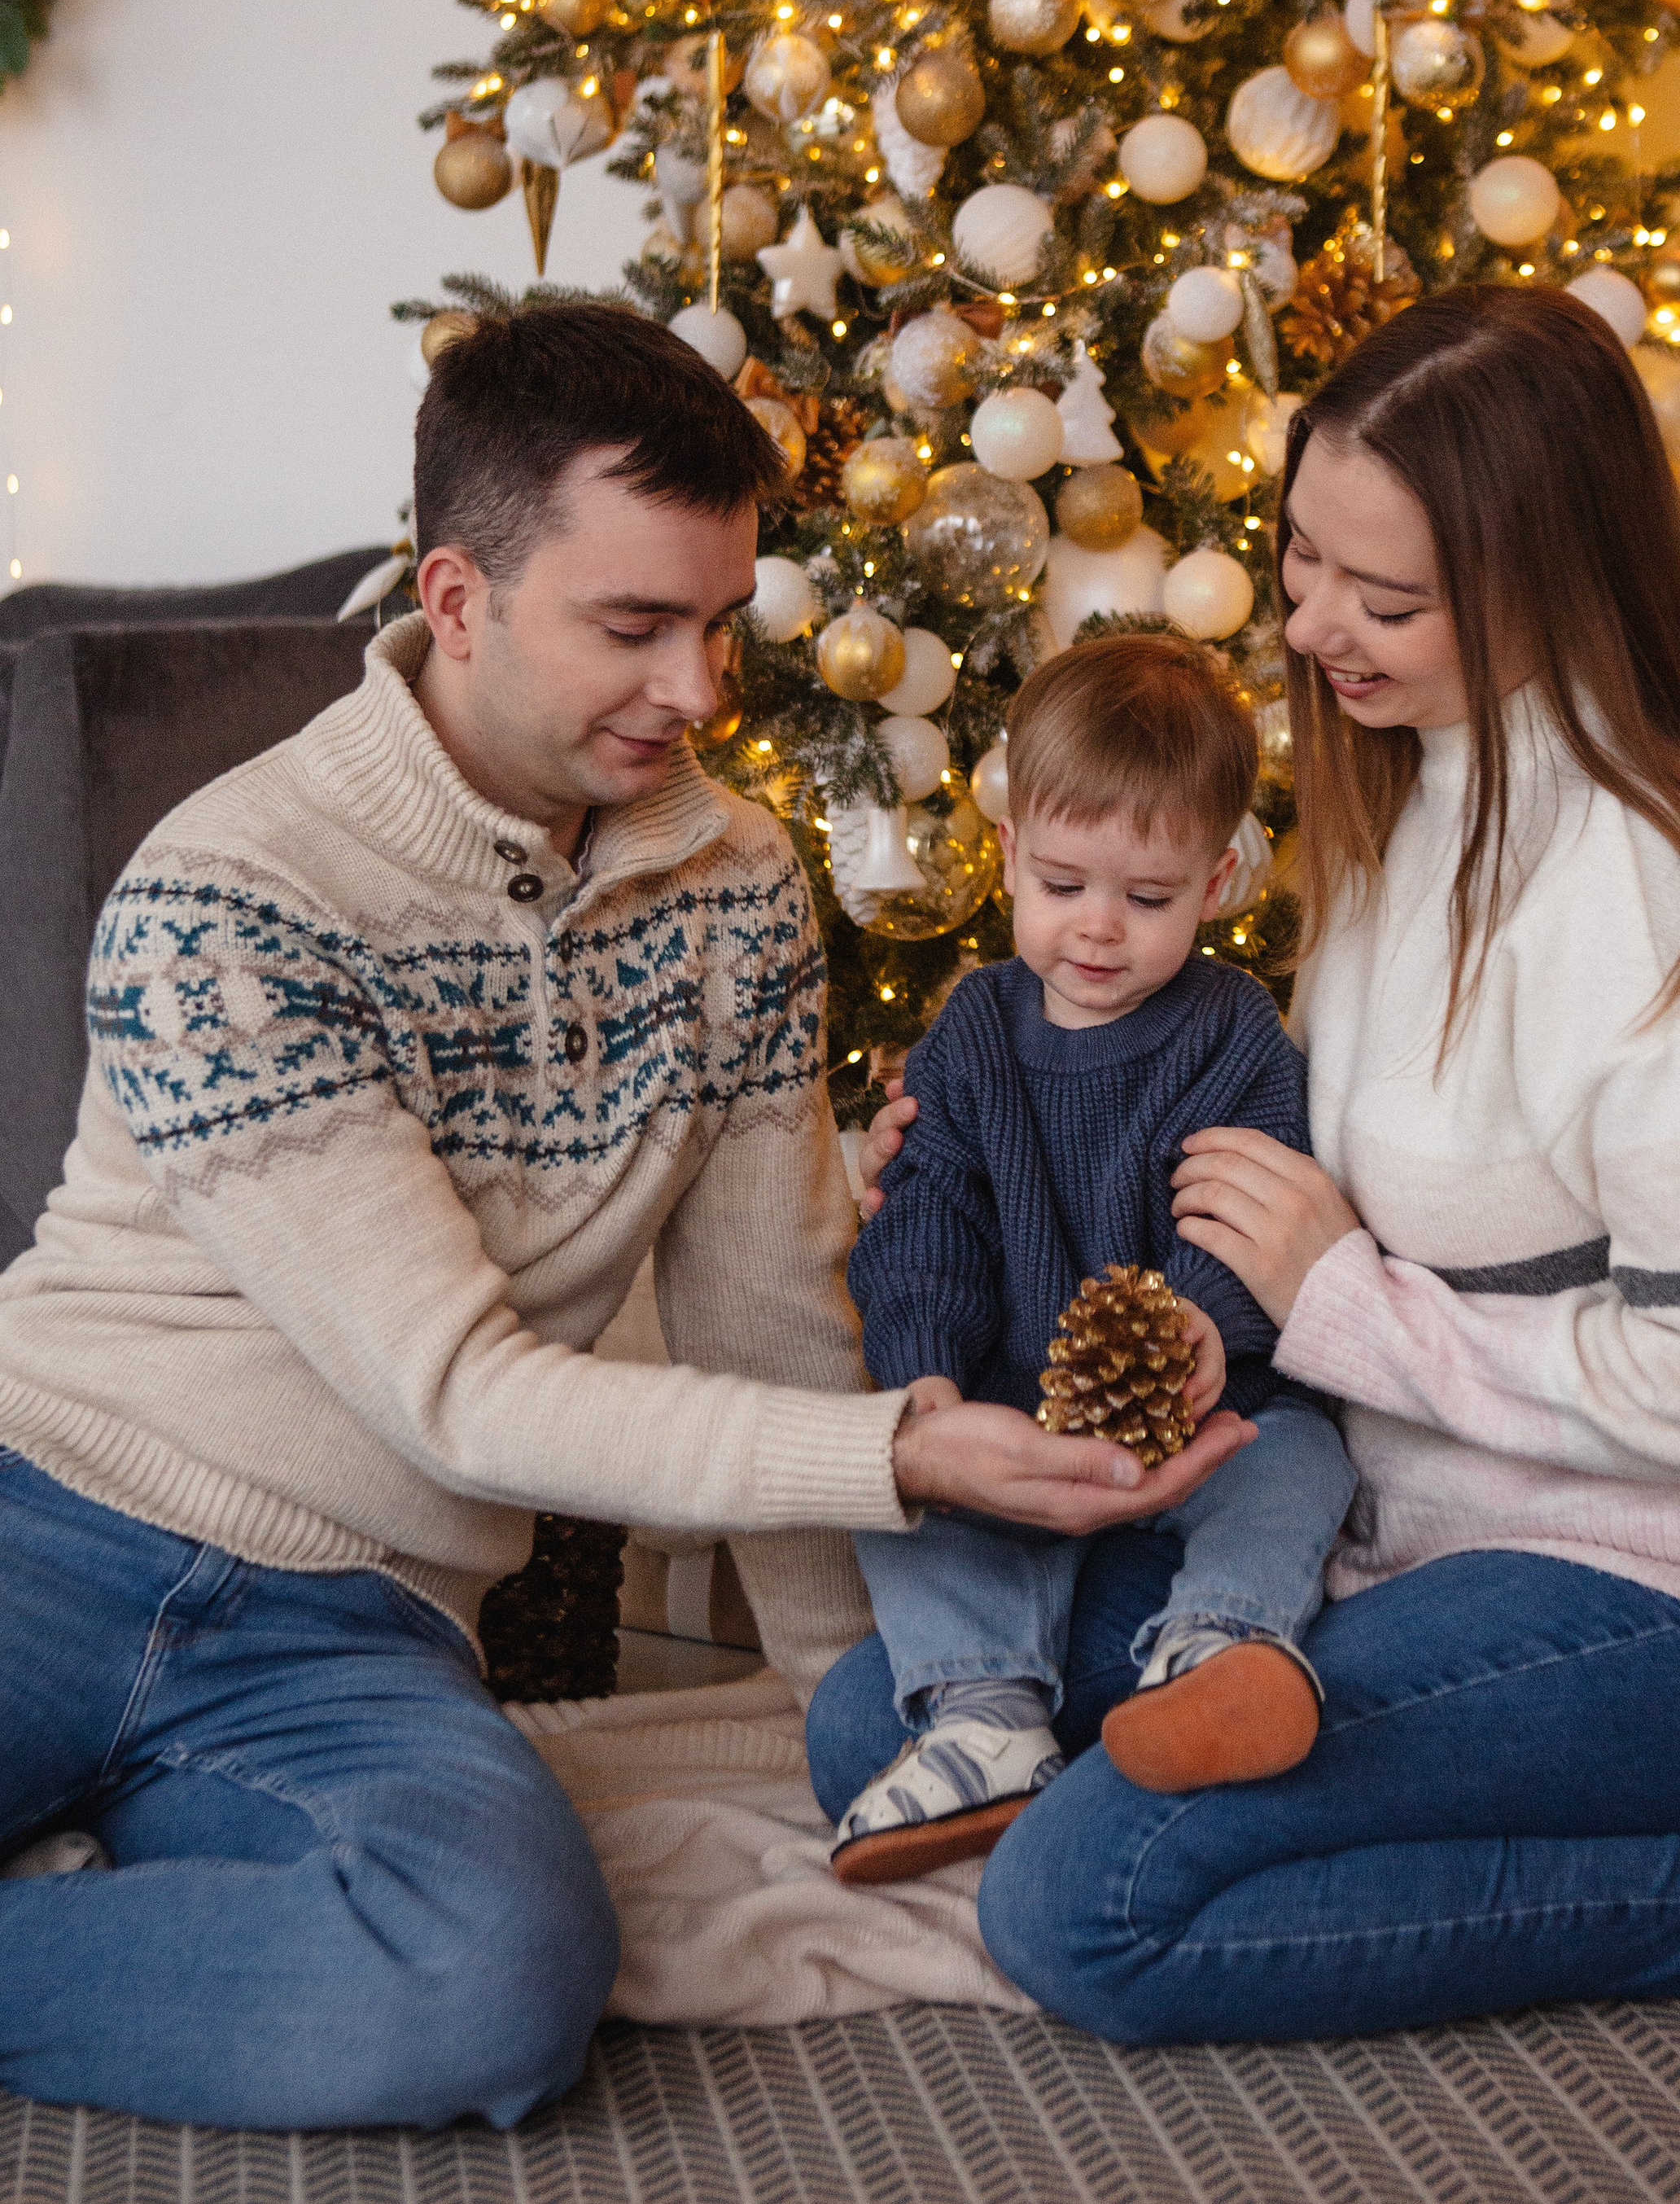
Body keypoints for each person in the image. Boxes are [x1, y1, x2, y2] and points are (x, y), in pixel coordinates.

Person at [0, 305, 1245, 2131]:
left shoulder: (734, 888)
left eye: (721, 622)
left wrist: (870, 1724)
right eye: (634, 626)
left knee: (489, 1985)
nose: (700, 687)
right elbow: (461, 1394)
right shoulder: (231, 895)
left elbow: (771, 1313)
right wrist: (903, 1453)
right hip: (49, 1527)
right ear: (455, 594)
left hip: (349, 1637)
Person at [832, 286, 1680, 2041]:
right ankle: (1420, 1790)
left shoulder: (1672, 916)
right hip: (1412, 1533)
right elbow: (1277, 1166)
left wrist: (1339, 1305)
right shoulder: (1413, 802)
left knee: (1082, 1904)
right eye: (1299, 557)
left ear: (1550, 586)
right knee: (883, 1719)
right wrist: (973, 1151)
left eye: (1379, 598)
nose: (1310, 623)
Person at [820, 637, 1357, 1885]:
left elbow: (1243, 1209)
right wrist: (929, 1376)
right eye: (1063, 885)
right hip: (1015, 1416)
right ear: (1006, 853)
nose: (1099, 930)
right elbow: (926, 1217)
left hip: (1200, 1408)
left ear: (1219, 878)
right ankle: (986, 1713)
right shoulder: (970, 1034)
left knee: (1302, 1460)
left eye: (1149, 897)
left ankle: (1219, 1651)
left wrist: (1205, 1327)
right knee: (901, 1479)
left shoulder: (1233, 1036)